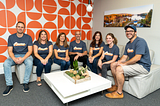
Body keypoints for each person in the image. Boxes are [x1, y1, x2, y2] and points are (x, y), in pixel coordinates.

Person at [105, 25, 151, 99]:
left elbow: (137, 58)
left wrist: (124, 64)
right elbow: (125, 56)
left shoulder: (140, 41)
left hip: (143, 66)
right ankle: (116, 85)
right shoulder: (128, 44)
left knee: (119, 69)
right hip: (135, 64)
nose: (128, 33)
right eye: (127, 31)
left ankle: (119, 92)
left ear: (135, 32)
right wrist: (118, 62)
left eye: (131, 31)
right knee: (113, 64)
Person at [3, 21, 33, 96]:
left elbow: (30, 51)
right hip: (15, 55)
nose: (20, 28)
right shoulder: (11, 37)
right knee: (6, 63)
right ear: (16, 27)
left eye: (22, 27)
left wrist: (22, 59)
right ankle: (9, 85)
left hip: (25, 55)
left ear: (24, 29)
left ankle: (25, 82)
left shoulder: (28, 37)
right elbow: (10, 50)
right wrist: (14, 59)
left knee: (29, 62)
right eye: (19, 26)